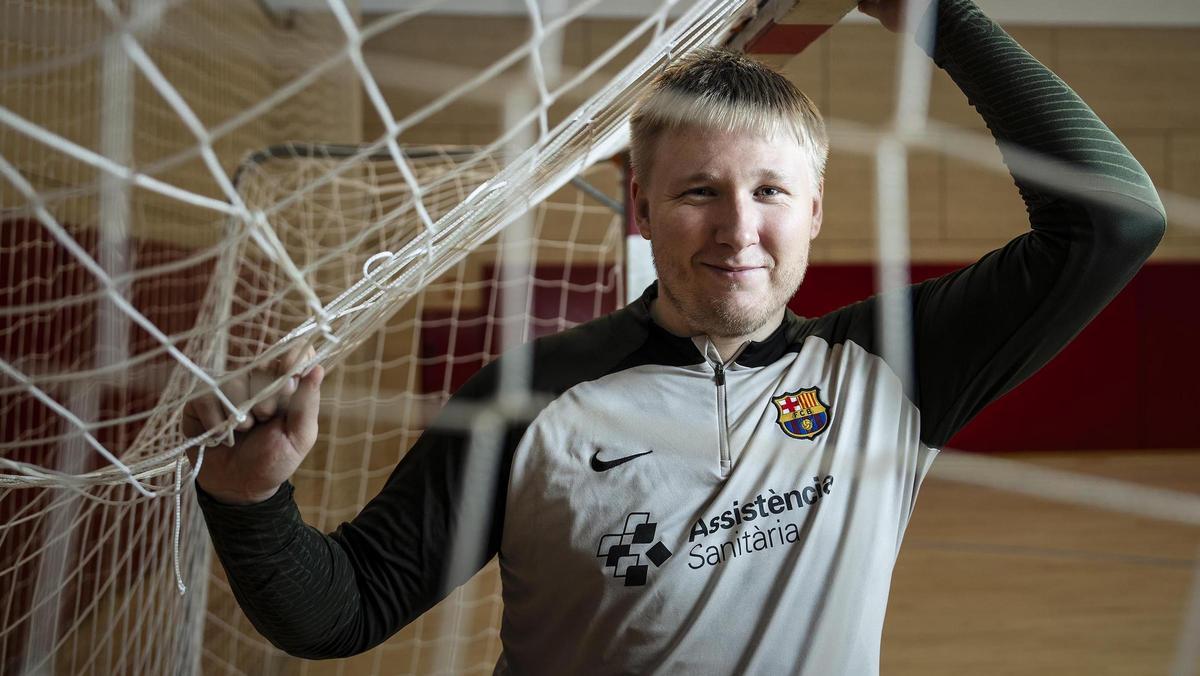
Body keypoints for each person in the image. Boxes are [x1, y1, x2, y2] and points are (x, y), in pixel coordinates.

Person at [186, 0, 1166, 673]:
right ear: (643, 210)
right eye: (700, 191)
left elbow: (1115, 221)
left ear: (814, 209)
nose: (740, 228)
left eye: (770, 191)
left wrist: (933, 15)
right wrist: (250, 492)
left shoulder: (890, 368)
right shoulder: (530, 398)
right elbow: (341, 607)